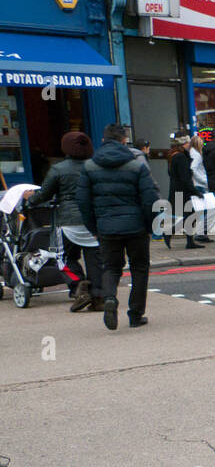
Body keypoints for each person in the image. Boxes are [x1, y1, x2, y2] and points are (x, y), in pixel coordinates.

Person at [76, 124, 160, 330]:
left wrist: (94, 228)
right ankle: (136, 314)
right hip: (136, 227)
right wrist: (150, 225)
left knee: (111, 268)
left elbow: (82, 202)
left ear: (103, 141)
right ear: (124, 141)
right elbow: (150, 198)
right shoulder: (136, 165)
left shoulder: (89, 167)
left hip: (106, 227)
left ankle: (110, 298)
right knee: (140, 268)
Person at [26, 131, 104, 312]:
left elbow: (44, 194)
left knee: (63, 258)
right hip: (94, 220)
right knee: (95, 261)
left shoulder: (58, 169)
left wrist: (29, 200)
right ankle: (98, 297)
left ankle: (78, 285)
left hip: (68, 221)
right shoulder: (97, 167)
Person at [166, 133, 200, 250]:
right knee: (191, 216)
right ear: (183, 144)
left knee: (189, 216)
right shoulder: (181, 157)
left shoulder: (173, 155)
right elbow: (185, 177)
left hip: (177, 190)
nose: (189, 145)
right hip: (183, 191)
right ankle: (170, 233)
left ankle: (189, 241)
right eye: (187, 143)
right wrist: (195, 192)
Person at [189, 134, 213, 242]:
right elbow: (193, 169)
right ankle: (201, 233)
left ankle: (200, 232)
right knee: (205, 210)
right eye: (202, 143)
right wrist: (205, 181)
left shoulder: (192, 153)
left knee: (200, 211)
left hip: (197, 185)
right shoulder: (197, 155)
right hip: (200, 185)